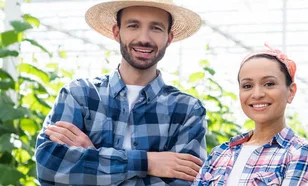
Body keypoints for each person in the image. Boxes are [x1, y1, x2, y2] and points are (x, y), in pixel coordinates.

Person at [35, 0, 208, 185]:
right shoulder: (79, 95)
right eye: (133, 25)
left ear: (169, 37)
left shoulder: (187, 110)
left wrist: (92, 158)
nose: (144, 38)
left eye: (156, 28)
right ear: (117, 32)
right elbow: (49, 167)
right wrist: (147, 162)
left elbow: (188, 183)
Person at [193, 43, 308, 186]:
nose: (257, 94)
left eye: (269, 84)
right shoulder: (220, 153)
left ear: (291, 92)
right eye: (247, 86)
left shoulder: (299, 152)